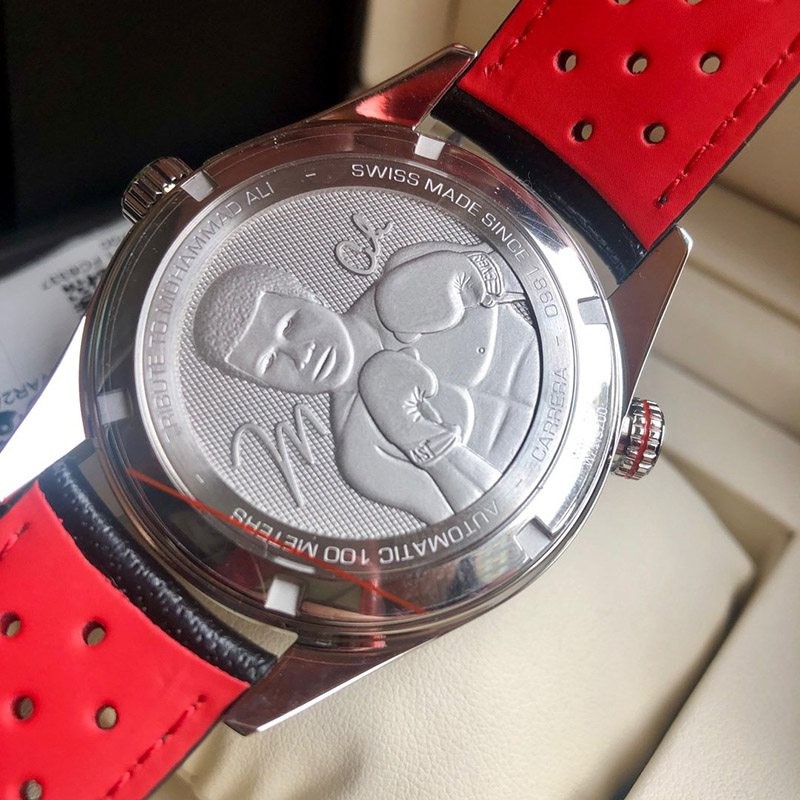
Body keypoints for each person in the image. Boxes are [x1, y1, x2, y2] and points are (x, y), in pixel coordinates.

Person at [194, 241, 539, 525]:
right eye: (270, 362)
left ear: (308, 297)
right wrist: (417, 437)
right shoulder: (364, 457)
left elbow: (533, 271)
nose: (300, 356)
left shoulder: (407, 274)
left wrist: (480, 273)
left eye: (290, 325)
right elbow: (486, 530)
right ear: (270, 387)